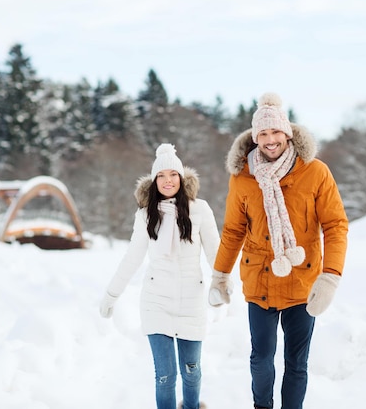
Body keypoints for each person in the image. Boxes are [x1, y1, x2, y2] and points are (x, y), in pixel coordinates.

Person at [208, 92, 349, 409]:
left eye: (275, 132)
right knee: (260, 360)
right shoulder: (243, 177)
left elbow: (336, 225)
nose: (270, 140)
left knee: (297, 363)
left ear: (287, 133)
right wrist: (219, 276)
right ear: (255, 137)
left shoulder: (315, 172)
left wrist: (331, 277)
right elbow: (233, 230)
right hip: (260, 282)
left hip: (303, 283)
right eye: (263, 134)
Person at [100, 143, 219, 409]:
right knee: (165, 377)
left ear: (182, 178)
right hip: (156, 303)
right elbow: (132, 257)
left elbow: (215, 252)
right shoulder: (145, 215)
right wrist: (111, 294)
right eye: (161, 176)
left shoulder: (200, 209)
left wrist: (222, 283)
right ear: (155, 181)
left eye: (173, 175)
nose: (168, 181)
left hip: (191, 302)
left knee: (191, 372)